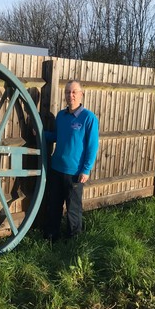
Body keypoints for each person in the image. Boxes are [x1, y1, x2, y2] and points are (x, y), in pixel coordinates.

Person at [43, 80, 99, 243]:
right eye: (68, 92)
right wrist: (40, 133)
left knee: (73, 208)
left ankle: (73, 240)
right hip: (56, 168)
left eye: (74, 92)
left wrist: (86, 169)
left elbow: (92, 146)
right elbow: (56, 136)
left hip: (75, 173)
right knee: (54, 205)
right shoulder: (61, 116)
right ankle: (51, 237)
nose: (70, 95)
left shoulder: (89, 118)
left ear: (81, 94)